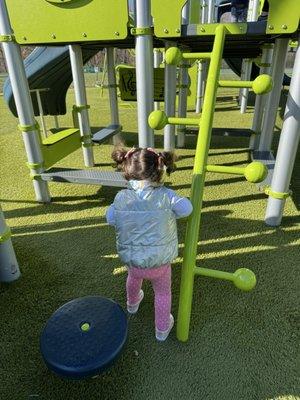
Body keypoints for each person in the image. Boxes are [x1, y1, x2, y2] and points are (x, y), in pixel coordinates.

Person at [106, 147, 193, 341]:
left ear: (127, 170)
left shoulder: (120, 198)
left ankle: (132, 303)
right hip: (159, 263)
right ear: (159, 169)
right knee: (163, 293)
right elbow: (187, 209)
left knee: (133, 278)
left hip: (133, 261)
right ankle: (162, 330)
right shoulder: (166, 196)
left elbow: (110, 218)